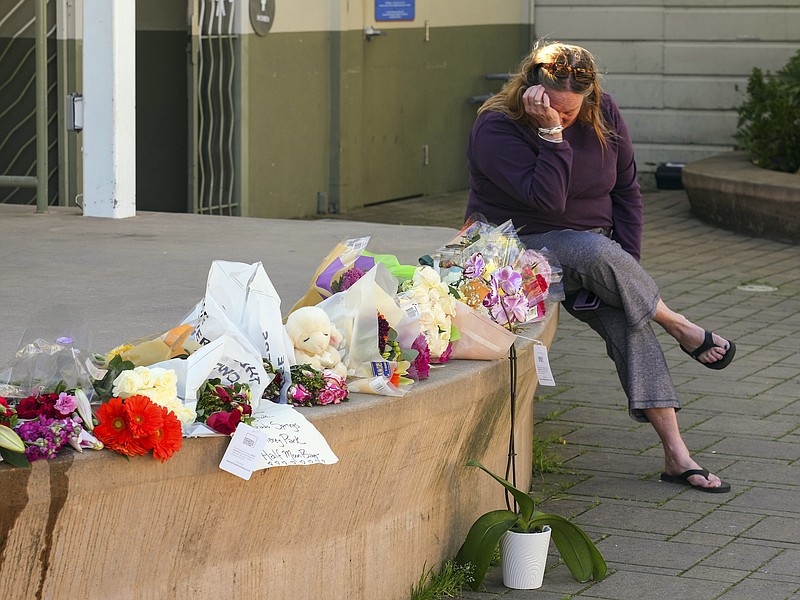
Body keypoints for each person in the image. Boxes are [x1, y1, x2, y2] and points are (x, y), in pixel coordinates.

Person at [465, 41, 736, 493]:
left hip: (594, 255)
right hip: (517, 252)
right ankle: (677, 322)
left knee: (629, 320)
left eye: (572, 112)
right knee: (591, 251)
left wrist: (626, 267)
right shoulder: (497, 126)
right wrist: (551, 135)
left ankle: (676, 454)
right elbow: (546, 201)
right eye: (555, 108)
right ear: (531, 90)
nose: (565, 117)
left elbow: (627, 191)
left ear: (590, 96)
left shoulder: (603, 112)